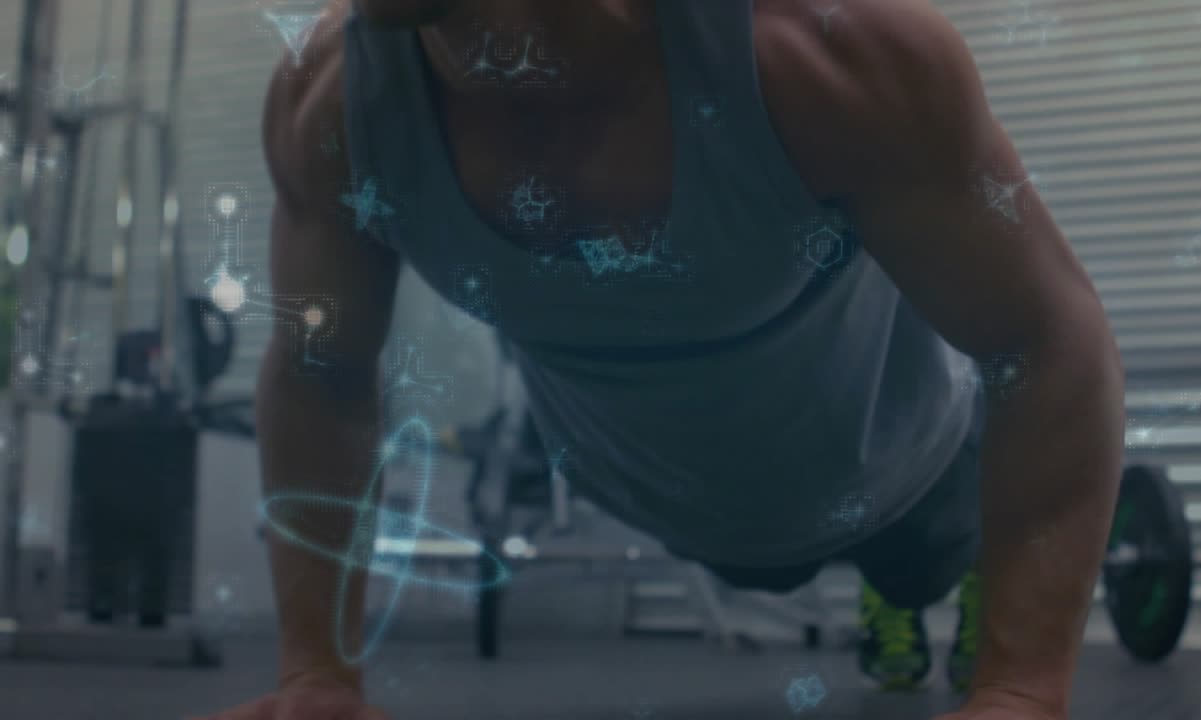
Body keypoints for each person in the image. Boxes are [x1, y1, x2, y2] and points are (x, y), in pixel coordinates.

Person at [197, 0, 1126, 718]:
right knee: (769, 571)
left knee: (917, 561)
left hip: (898, 467)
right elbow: (321, 374)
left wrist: (1021, 691)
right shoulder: (330, 103)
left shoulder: (823, 56)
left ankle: (926, 588)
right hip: (676, 507)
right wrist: (316, 673)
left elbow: (1044, 339)